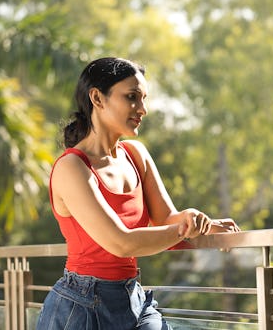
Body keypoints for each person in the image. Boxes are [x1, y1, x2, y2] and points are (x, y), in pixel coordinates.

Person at [36, 57, 240, 330]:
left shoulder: (136, 154)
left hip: (133, 298)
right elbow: (121, 242)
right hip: (80, 307)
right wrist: (185, 228)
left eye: (144, 98)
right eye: (132, 97)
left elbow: (167, 219)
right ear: (97, 98)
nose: (142, 109)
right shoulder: (72, 167)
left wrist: (199, 222)